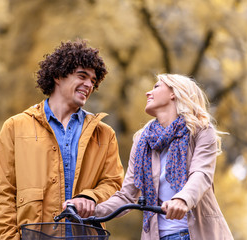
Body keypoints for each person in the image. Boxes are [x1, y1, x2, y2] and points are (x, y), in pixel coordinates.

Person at [0, 39, 124, 240]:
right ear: (57, 76)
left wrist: (91, 196)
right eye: (82, 76)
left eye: (93, 80)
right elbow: (3, 194)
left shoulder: (104, 134)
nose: (89, 84)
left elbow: (115, 184)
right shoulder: (14, 127)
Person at [89, 74, 234, 240]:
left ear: (174, 93)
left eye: (156, 87)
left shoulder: (200, 130)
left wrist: (182, 200)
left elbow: (201, 174)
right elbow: (127, 195)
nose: (147, 93)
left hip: (198, 234)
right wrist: (91, 209)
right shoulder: (142, 140)